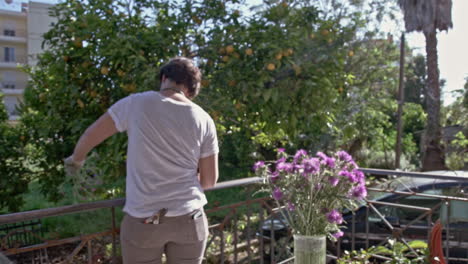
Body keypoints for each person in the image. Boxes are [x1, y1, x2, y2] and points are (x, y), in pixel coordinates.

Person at [64, 57, 219, 264]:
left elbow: (90, 135)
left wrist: (76, 161)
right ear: (190, 91)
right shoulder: (204, 118)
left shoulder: (136, 103)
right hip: (190, 218)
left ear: (164, 78)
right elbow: (209, 181)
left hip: (145, 220)